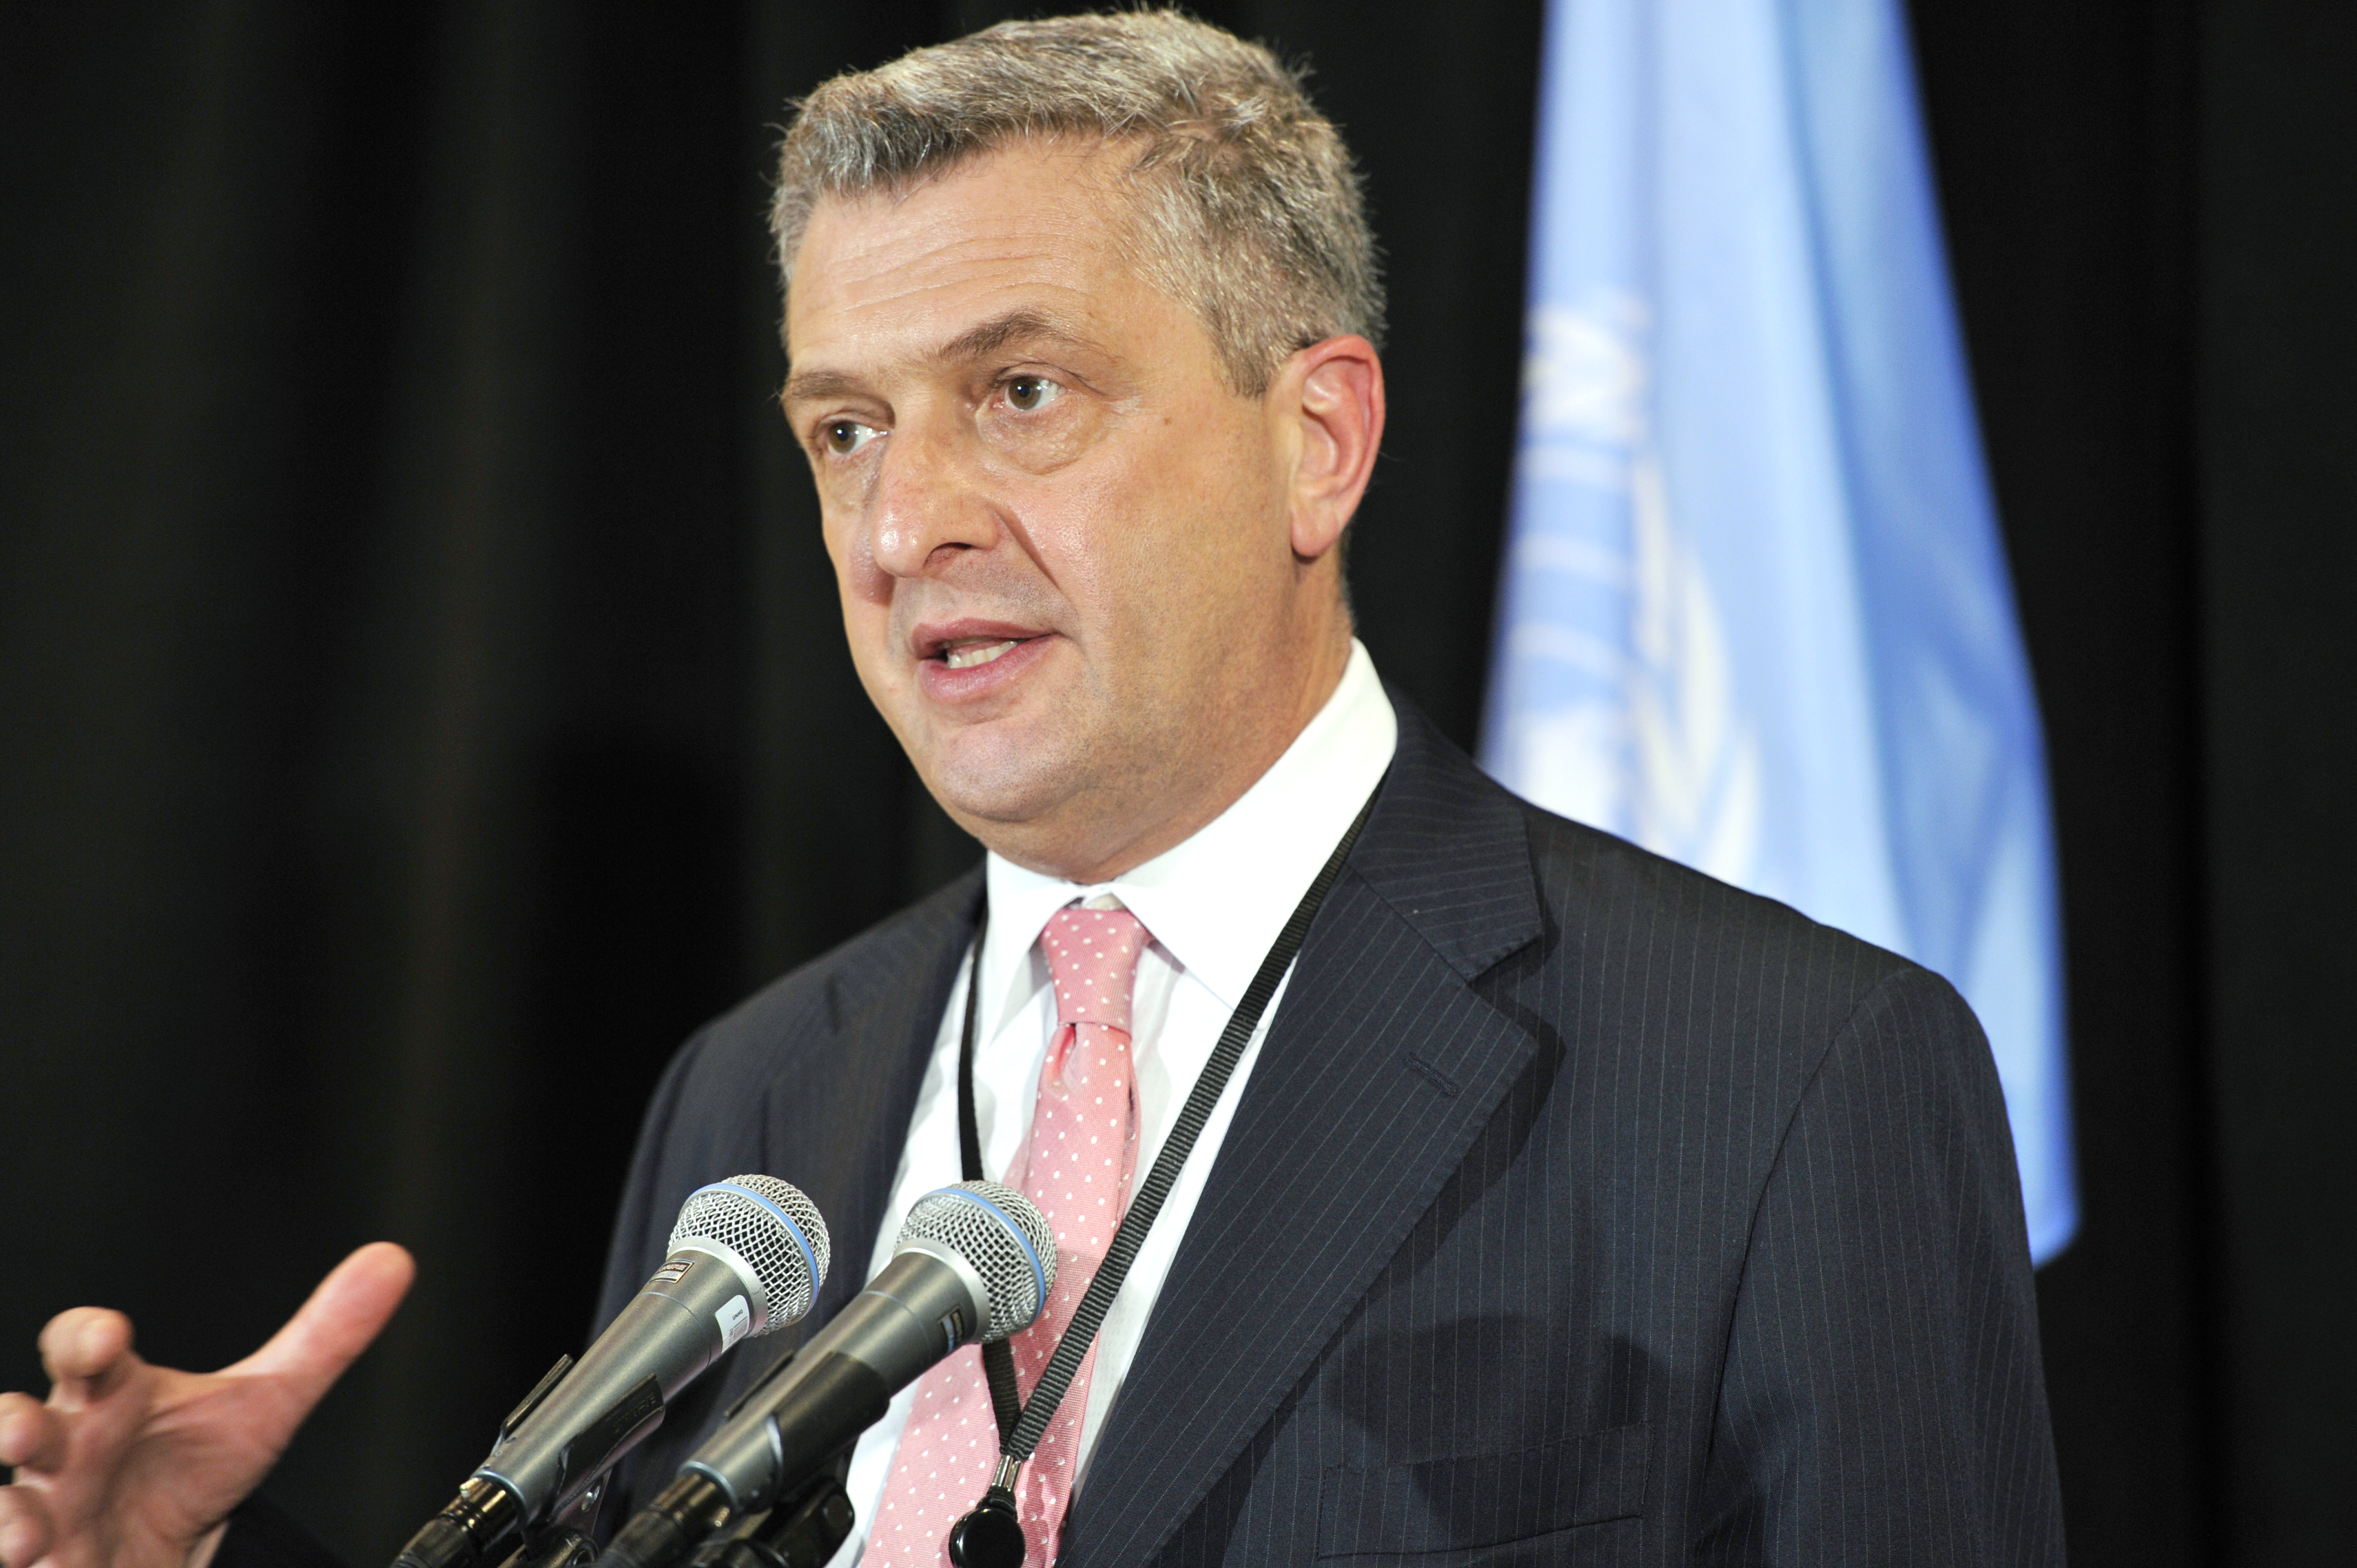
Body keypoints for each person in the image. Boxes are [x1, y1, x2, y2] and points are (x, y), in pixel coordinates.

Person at [0, 12, 2065, 1567]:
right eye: (845, 430)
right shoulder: (755, 1103)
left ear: (1317, 442)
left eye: (1020, 393)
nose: (908, 527)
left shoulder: (1787, 1080)